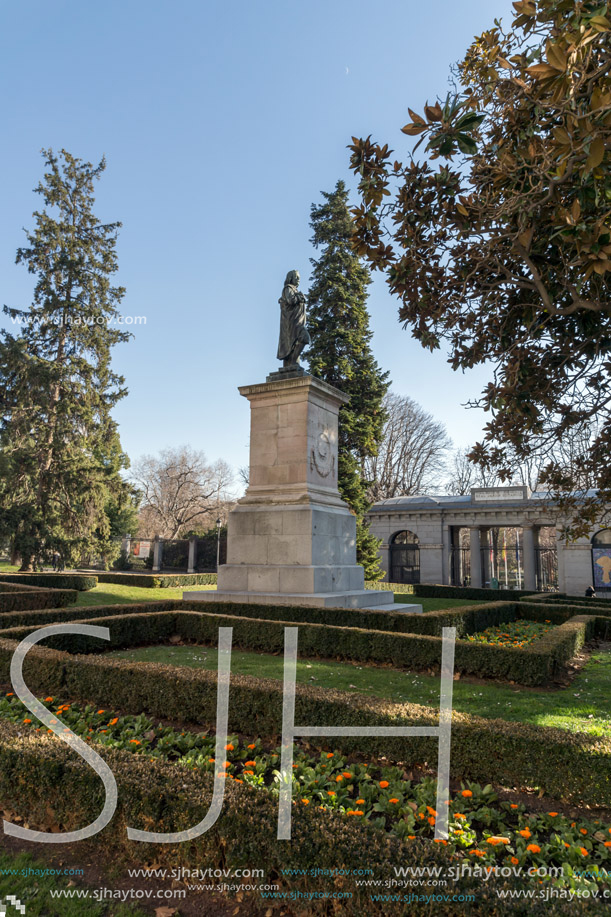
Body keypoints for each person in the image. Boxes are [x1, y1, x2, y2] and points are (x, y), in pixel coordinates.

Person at [276, 269, 310, 368]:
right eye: (296, 277)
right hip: (291, 323)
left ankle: (293, 362)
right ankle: (293, 361)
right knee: (304, 337)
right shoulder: (288, 288)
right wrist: (300, 297)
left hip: (297, 321)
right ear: (291, 278)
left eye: (299, 278)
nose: (298, 280)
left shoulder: (294, 290)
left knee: (299, 340)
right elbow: (291, 301)